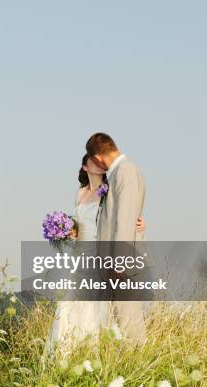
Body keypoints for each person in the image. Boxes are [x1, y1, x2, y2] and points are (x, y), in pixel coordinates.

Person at [46, 153, 146, 354]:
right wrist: (66, 231)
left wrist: (138, 225)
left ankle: (95, 353)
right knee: (70, 306)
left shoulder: (107, 192)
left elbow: (122, 216)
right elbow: (79, 224)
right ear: (85, 167)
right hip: (80, 255)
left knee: (97, 306)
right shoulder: (80, 193)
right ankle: (66, 352)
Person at [87, 132, 147, 344]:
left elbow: (124, 218)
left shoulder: (125, 171)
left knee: (129, 325)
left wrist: (119, 263)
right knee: (116, 325)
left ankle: (142, 371)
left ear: (97, 158)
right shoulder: (118, 172)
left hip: (121, 266)